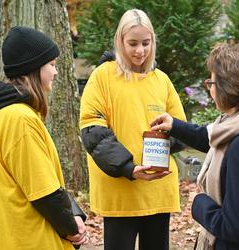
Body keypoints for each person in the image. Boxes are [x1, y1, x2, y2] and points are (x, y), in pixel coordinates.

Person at [151, 40, 239, 250]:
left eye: (212, 84)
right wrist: (175, 126)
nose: (210, 90)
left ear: (231, 88)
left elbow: (236, 227)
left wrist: (199, 203)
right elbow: (213, 138)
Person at [79, 9, 186, 250]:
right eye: (133, 43)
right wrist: (129, 168)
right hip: (120, 193)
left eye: (146, 43)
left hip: (157, 191)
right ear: (119, 41)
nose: (140, 51)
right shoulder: (102, 77)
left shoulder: (161, 80)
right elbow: (92, 131)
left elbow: (181, 127)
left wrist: (170, 134)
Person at [0, 26, 88, 250]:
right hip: (31, 239)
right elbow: (45, 192)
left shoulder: (3, 114)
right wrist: (72, 229)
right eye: (52, 65)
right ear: (33, 69)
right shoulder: (20, 119)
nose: (56, 72)